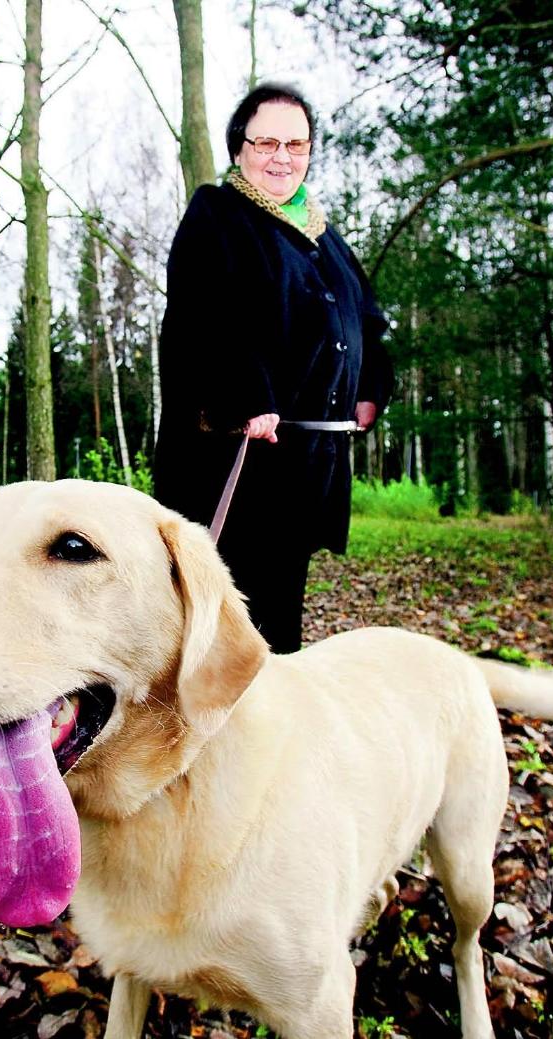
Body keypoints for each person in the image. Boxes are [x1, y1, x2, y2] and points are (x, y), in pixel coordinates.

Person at [154, 83, 393, 654]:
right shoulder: (218, 214)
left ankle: (270, 727)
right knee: (225, 610)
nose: (282, 156)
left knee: (281, 610)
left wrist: (370, 387)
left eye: (296, 144)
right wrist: (244, 398)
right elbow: (200, 313)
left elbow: (367, 319)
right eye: (267, 143)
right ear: (240, 148)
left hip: (306, 463)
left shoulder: (321, 232)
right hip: (238, 459)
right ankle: (199, 726)